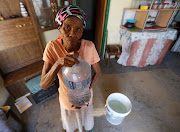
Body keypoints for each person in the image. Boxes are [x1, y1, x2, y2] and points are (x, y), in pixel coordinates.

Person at [40, 4, 101, 132]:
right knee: (71, 126)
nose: (73, 34)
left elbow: (98, 73)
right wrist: (58, 64)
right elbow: (44, 85)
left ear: (82, 31)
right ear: (59, 28)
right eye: (67, 27)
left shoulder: (89, 46)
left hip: (85, 98)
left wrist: (85, 92)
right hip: (67, 99)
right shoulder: (52, 47)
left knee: (87, 124)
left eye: (78, 29)